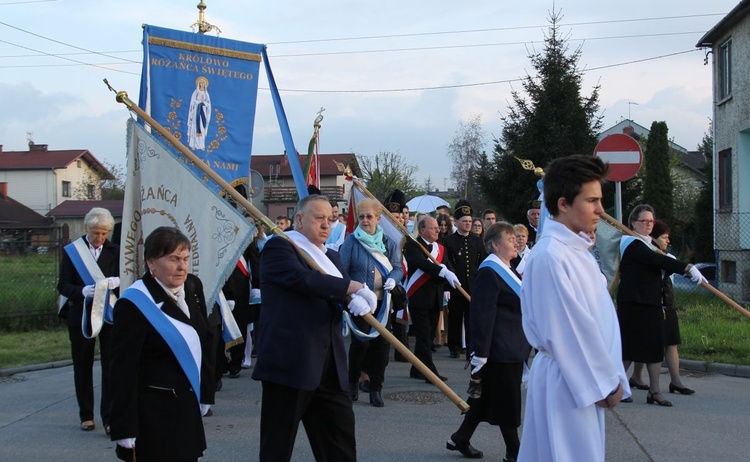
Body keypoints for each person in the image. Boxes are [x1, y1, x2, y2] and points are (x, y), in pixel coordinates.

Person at [517, 155, 629, 462]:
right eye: (591, 200)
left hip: (580, 379)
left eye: (600, 200)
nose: (601, 210)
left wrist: (611, 374)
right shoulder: (552, 257)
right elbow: (568, 331)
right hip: (568, 382)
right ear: (563, 203)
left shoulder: (575, 251)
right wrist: (605, 384)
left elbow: (598, 320)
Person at [252, 194, 377, 461]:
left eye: (330, 220)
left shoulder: (331, 256)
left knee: (340, 445)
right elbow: (304, 280)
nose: (326, 225)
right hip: (290, 365)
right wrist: (351, 287)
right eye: (318, 218)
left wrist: (359, 303)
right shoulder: (280, 247)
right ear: (299, 219)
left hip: (330, 367)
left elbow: (340, 296)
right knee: (277, 447)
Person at [109, 227, 213, 462]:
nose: (182, 267)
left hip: (187, 413)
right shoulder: (134, 304)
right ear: (151, 263)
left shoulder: (192, 289)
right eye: (174, 259)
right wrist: (124, 430)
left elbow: (203, 342)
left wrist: (206, 393)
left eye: (186, 259)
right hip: (154, 419)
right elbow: (122, 371)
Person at [447, 222, 531, 462]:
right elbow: (482, 315)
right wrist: (480, 352)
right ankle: (514, 451)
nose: (516, 242)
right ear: (495, 245)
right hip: (499, 349)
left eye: (516, 238)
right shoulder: (489, 271)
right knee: (507, 400)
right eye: (510, 239)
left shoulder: (509, 268)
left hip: (511, 345)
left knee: (485, 398)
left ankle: (460, 438)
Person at [617, 204, 705, 407]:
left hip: (652, 302)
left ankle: (654, 391)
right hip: (633, 304)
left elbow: (660, 262)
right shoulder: (631, 243)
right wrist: (687, 267)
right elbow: (653, 259)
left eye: (651, 221)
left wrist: (679, 267)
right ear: (633, 223)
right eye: (643, 221)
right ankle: (617, 387)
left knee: (654, 347)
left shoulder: (648, 244)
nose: (648, 224)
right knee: (629, 348)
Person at [57, 207, 120, 434]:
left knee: (110, 367)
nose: (99, 238)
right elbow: (63, 285)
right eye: (95, 233)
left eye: (104, 233)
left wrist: (116, 283)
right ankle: (86, 415)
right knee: (82, 364)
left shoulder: (115, 251)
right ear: (86, 229)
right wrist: (83, 291)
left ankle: (110, 418)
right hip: (80, 315)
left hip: (108, 316)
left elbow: (122, 282)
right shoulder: (73, 252)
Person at [339, 198, 404, 407]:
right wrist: (354, 293)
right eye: (361, 216)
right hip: (361, 303)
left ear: (378, 218)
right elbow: (342, 270)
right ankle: (353, 383)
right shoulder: (351, 241)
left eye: (369, 216)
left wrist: (394, 279)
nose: (365, 221)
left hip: (384, 302)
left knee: (382, 348)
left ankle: (376, 387)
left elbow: (397, 268)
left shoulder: (388, 243)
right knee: (360, 345)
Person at [629, 218, 696, 396]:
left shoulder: (666, 257)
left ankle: (676, 381)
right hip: (649, 304)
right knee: (641, 344)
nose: (667, 241)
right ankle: (632, 378)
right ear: (653, 238)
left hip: (667, 304)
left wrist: (689, 271)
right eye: (664, 237)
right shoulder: (645, 253)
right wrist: (685, 267)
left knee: (670, 343)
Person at [404, 216, 460, 382]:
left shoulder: (440, 248)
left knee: (428, 337)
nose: (438, 230)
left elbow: (449, 268)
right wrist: (439, 270)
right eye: (433, 228)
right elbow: (420, 264)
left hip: (435, 299)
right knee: (423, 337)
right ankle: (430, 373)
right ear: (422, 230)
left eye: (438, 228)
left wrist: (448, 275)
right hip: (419, 298)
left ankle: (416, 368)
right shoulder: (413, 245)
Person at [443, 200, 486, 360]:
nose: (468, 224)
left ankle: (470, 348)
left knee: (471, 319)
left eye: (469, 221)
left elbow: (481, 262)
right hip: (456, 286)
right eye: (464, 221)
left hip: (473, 286)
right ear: (456, 222)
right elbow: (446, 264)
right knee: (455, 317)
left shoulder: (477, 241)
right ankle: (454, 347)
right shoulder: (448, 241)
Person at [187, 76, 211, 151]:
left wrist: (203, 102)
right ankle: (193, 144)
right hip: (196, 113)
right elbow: (192, 103)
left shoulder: (206, 94)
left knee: (202, 128)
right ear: (199, 84)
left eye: (203, 83)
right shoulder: (196, 93)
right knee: (194, 128)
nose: (202, 84)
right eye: (201, 83)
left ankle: (201, 145)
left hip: (203, 113)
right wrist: (199, 102)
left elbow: (208, 104)